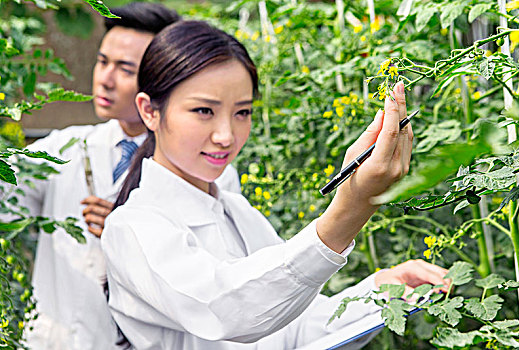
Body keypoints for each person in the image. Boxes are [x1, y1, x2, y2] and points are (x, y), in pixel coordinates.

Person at [101, 20, 449, 350]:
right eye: (204, 111)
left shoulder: (236, 212)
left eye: (242, 112)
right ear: (149, 111)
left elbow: (292, 326)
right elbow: (229, 310)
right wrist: (350, 209)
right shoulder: (132, 227)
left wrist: (380, 293)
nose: (225, 136)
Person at [13, 4, 241, 350]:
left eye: (125, 69)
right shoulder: (64, 148)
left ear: (163, 80)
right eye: (103, 62)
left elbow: (214, 283)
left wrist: (132, 235)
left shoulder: (211, 170)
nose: (104, 78)